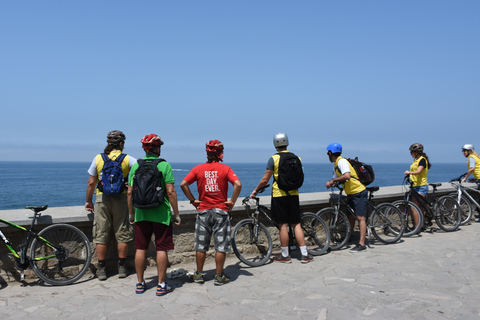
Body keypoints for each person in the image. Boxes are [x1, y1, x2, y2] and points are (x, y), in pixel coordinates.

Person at [180, 140, 241, 286]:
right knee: (221, 246)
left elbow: (183, 184)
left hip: (203, 211)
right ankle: (219, 276)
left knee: (201, 245)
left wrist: (193, 200)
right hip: (221, 211)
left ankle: (199, 274)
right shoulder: (225, 169)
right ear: (220, 153)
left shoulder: (198, 169)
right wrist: (232, 201)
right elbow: (238, 184)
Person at [127, 134, 180, 296]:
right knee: (161, 248)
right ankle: (161, 285)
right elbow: (170, 192)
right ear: (158, 148)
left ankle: (140, 283)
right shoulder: (164, 165)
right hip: (161, 214)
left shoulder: (136, 166)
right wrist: (176, 213)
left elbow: (129, 193)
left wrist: (131, 214)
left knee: (140, 248)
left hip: (141, 213)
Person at [250, 133, 314, 263]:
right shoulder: (297, 158)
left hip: (280, 195)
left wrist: (255, 191)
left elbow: (265, 179)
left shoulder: (273, 159)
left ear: (275, 144)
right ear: (287, 143)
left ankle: (285, 255)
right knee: (296, 224)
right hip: (294, 194)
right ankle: (305, 254)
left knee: (283, 225)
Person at [85, 130, 136, 280]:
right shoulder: (128, 159)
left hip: (102, 199)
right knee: (123, 233)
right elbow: (141, 173)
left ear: (108, 143)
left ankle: (101, 268)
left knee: (101, 234)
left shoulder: (98, 158)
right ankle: (122, 267)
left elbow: (91, 183)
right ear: (121, 144)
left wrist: (88, 201)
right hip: (121, 199)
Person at [325, 142, 367, 252]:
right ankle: (349, 237)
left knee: (360, 217)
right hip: (351, 193)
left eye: (327, 153)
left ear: (330, 153)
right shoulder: (336, 165)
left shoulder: (342, 161)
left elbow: (347, 175)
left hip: (358, 192)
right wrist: (332, 182)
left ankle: (362, 244)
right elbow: (338, 178)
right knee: (350, 217)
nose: (327, 156)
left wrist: (333, 180)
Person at [404, 143, 431, 229]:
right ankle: (421, 225)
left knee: (413, 208)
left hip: (421, 186)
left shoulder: (422, 160)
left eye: (411, 152)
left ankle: (417, 227)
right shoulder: (416, 160)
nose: (411, 154)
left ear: (416, 152)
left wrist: (409, 172)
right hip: (415, 186)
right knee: (420, 207)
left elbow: (419, 171)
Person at [460, 144, 480, 221]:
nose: (463, 152)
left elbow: (472, 169)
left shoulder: (471, 158)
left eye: (464, 151)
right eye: (463, 151)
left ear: (469, 151)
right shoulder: (476, 157)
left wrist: (465, 178)